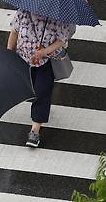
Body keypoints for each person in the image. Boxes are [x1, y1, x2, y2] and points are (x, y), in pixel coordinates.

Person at [7, 9, 71, 148]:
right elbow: (14, 31)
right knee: (31, 89)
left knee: (42, 92)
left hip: (45, 61)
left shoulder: (60, 17)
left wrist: (44, 52)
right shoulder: (23, 11)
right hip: (23, 58)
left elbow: (62, 40)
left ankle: (34, 130)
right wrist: (8, 51)